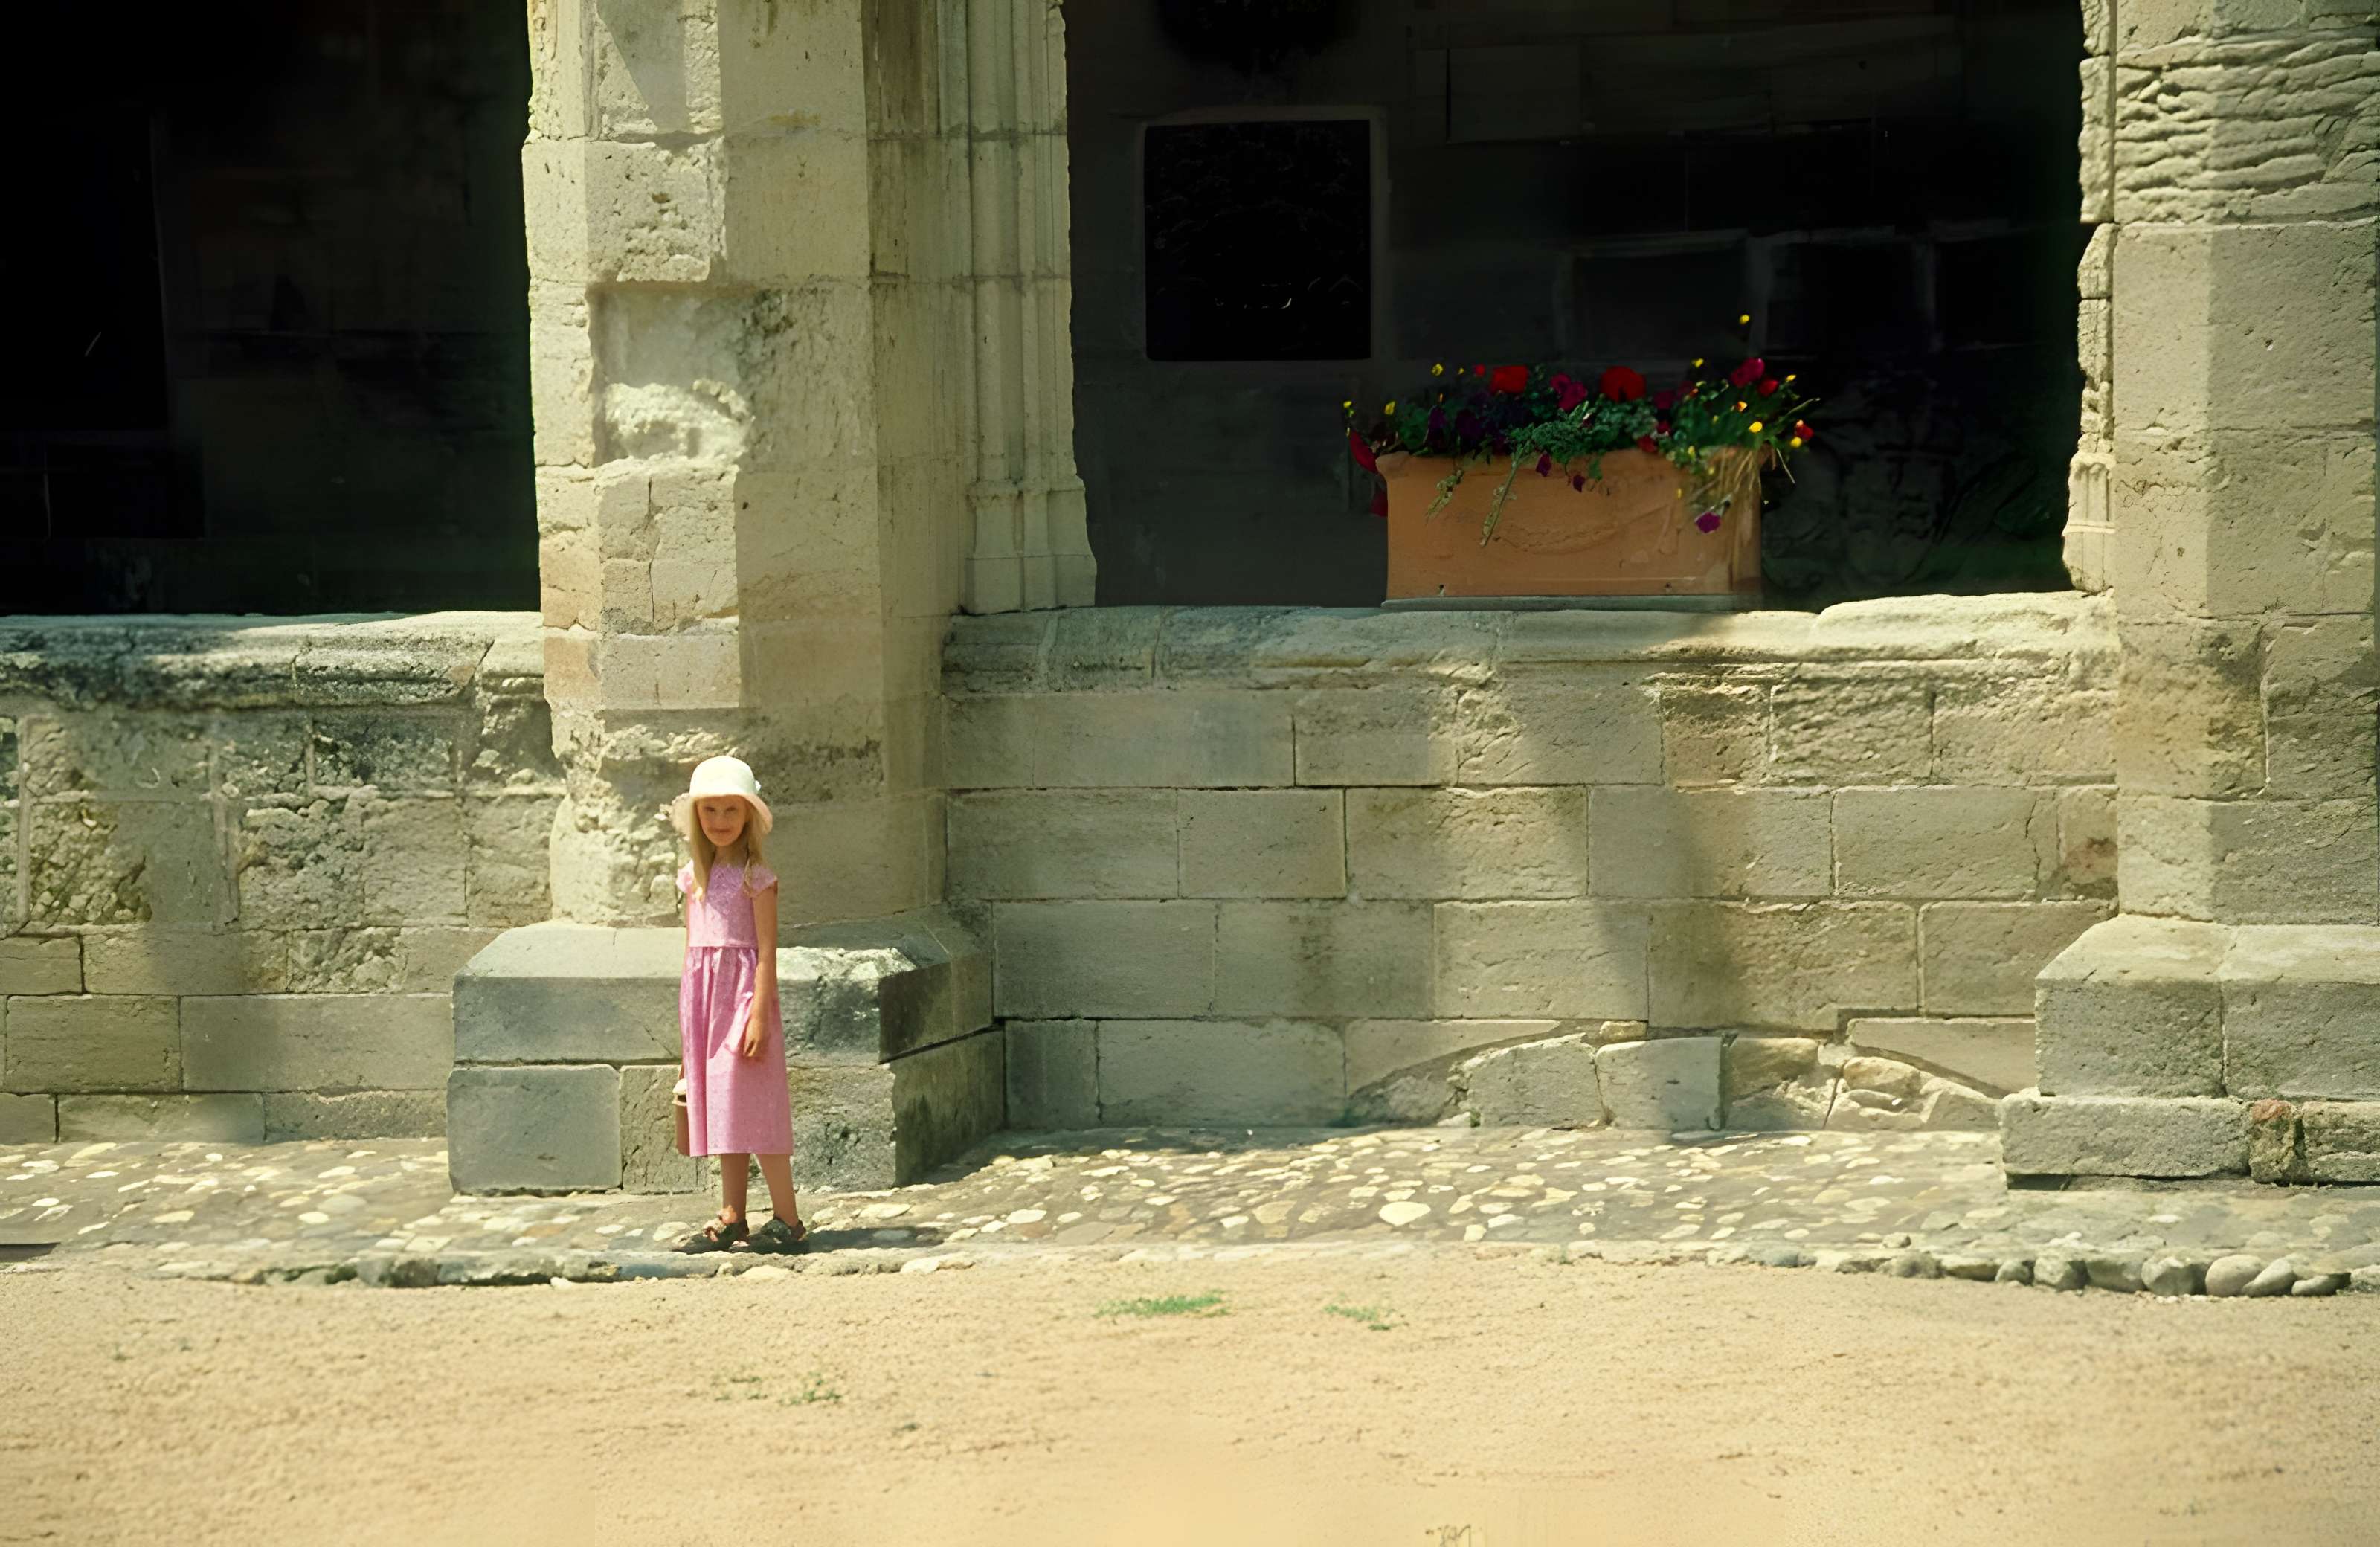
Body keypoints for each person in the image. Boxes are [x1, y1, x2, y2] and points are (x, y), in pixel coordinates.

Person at [668, 755, 807, 1254]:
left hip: (745, 1002)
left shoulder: (758, 878)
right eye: (711, 811)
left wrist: (758, 1014)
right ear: (697, 818)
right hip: (705, 1005)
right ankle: (733, 1215)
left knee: (759, 1109)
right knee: (723, 1110)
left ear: (749, 815)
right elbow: (692, 950)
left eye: (731, 810)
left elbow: (767, 951)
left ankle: (788, 1219)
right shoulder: (693, 878)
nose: (721, 821)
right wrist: (688, 1026)